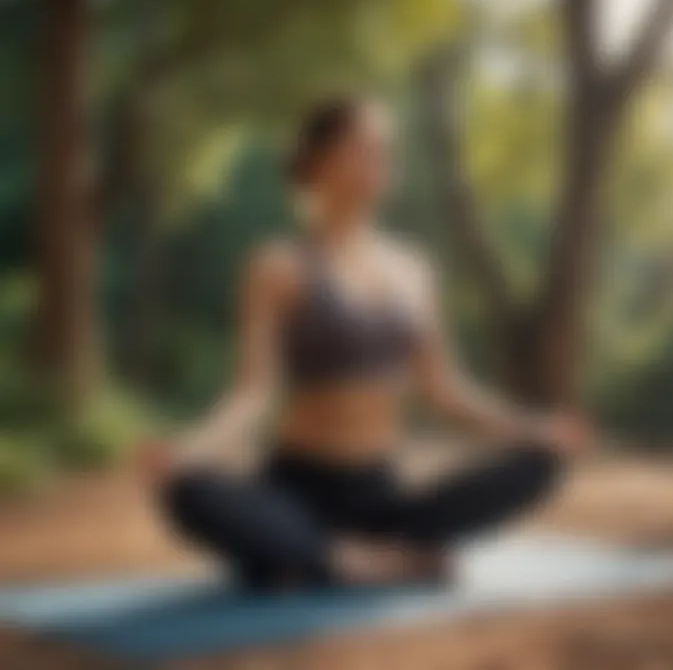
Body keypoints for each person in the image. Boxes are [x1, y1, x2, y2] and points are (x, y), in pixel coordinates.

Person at [147, 94, 591, 591]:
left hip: (382, 495)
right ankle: (354, 559)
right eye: (365, 148)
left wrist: (533, 427)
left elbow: (448, 391)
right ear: (317, 161)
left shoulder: (415, 269)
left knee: (542, 464)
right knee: (186, 490)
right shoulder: (277, 265)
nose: (382, 161)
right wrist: (191, 448)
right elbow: (254, 392)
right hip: (297, 489)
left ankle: (320, 558)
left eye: (387, 150)